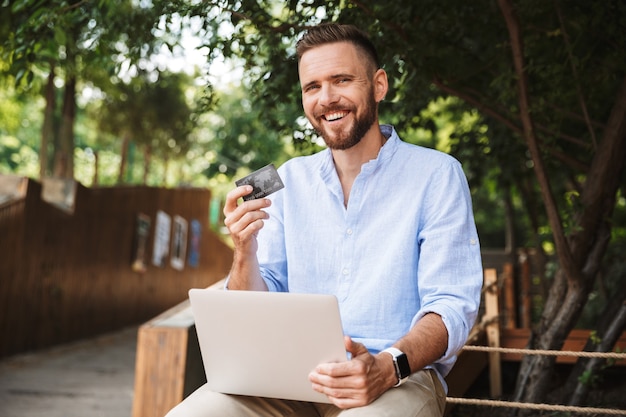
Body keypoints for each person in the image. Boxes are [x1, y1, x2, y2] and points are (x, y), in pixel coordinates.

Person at [166, 22, 483, 417]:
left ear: (378, 85)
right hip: (289, 379)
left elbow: (451, 305)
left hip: (397, 378)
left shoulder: (437, 175)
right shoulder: (288, 180)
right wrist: (244, 250)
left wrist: (387, 367)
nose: (326, 98)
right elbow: (262, 300)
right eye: (312, 87)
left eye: (342, 80)